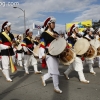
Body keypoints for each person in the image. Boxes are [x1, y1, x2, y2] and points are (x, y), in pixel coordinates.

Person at [39, 16, 62, 93]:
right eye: (53, 23)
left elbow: (60, 42)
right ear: (49, 24)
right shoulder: (44, 34)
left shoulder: (55, 33)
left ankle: (44, 77)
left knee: (52, 70)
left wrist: (58, 37)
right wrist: (42, 53)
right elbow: (42, 44)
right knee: (54, 70)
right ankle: (56, 87)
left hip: (56, 53)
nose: (54, 24)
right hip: (48, 53)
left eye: (54, 23)